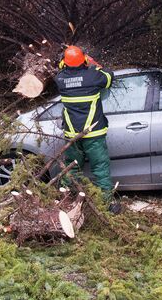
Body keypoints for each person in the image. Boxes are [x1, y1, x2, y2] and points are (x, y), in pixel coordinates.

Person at [54, 45, 120, 213]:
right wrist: (93, 63)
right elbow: (110, 77)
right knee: (100, 168)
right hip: (94, 133)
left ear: (64, 62)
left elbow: (63, 69)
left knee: (72, 167)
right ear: (83, 60)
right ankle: (106, 204)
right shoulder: (93, 76)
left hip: (72, 134)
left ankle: (67, 201)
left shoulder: (60, 79)